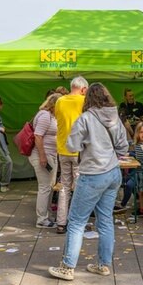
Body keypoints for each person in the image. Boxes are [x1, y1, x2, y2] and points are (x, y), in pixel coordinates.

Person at [48, 82, 128, 281]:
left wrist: (87, 143)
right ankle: (103, 265)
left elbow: (72, 145)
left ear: (88, 98)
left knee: (76, 222)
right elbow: (123, 146)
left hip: (92, 174)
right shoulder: (115, 117)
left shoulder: (85, 119)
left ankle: (67, 267)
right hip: (113, 173)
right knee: (106, 220)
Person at [55, 76, 88, 234]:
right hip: (79, 151)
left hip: (62, 149)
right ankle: (77, 222)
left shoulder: (59, 101)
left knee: (64, 187)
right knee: (80, 188)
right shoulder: (83, 101)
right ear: (83, 89)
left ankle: (61, 222)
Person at [30, 93, 62, 229]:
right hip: (43, 155)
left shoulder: (50, 115)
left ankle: (46, 216)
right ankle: (41, 219)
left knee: (48, 186)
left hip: (50, 154)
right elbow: (38, 136)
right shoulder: (45, 116)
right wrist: (43, 156)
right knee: (44, 187)